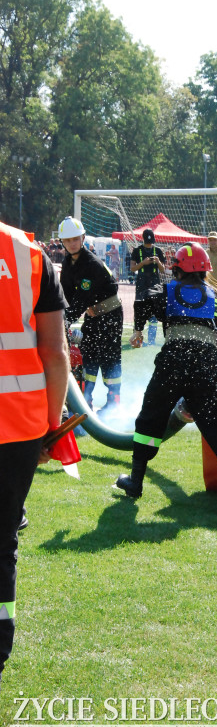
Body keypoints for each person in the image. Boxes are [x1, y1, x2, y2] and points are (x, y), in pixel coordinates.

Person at [115, 243, 217, 516]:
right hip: (206, 366)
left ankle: (135, 482)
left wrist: (138, 330)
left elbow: (143, 301)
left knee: (151, 417)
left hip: (172, 362)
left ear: (177, 270)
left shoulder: (166, 291)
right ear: (206, 271)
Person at [0, 220, 69, 688]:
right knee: (2, 542)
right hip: (19, 426)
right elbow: (55, 351)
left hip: (19, 427)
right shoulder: (27, 251)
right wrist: (50, 428)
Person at [59, 216, 123, 413]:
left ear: (83, 237)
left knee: (109, 357)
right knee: (88, 354)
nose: (71, 243)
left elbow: (81, 301)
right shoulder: (68, 264)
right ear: (62, 242)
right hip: (93, 315)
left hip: (110, 316)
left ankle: (113, 403)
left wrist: (63, 322)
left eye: (75, 239)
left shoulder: (91, 264)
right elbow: (66, 295)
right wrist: (59, 316)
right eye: (67, 240)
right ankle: (85, 402)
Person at [130, 228, 165, 347]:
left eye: (151, 243)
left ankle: (151, 340)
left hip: (155, 283)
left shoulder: (158, 250)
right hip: (142, 283)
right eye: (147, 242)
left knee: (154, 311)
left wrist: (158, 262)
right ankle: (137, 338)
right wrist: (143, 263)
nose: (149, 245)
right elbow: (132, 268)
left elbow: (163, 269)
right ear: (143, 240)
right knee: (139, 308)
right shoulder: (137, 250)